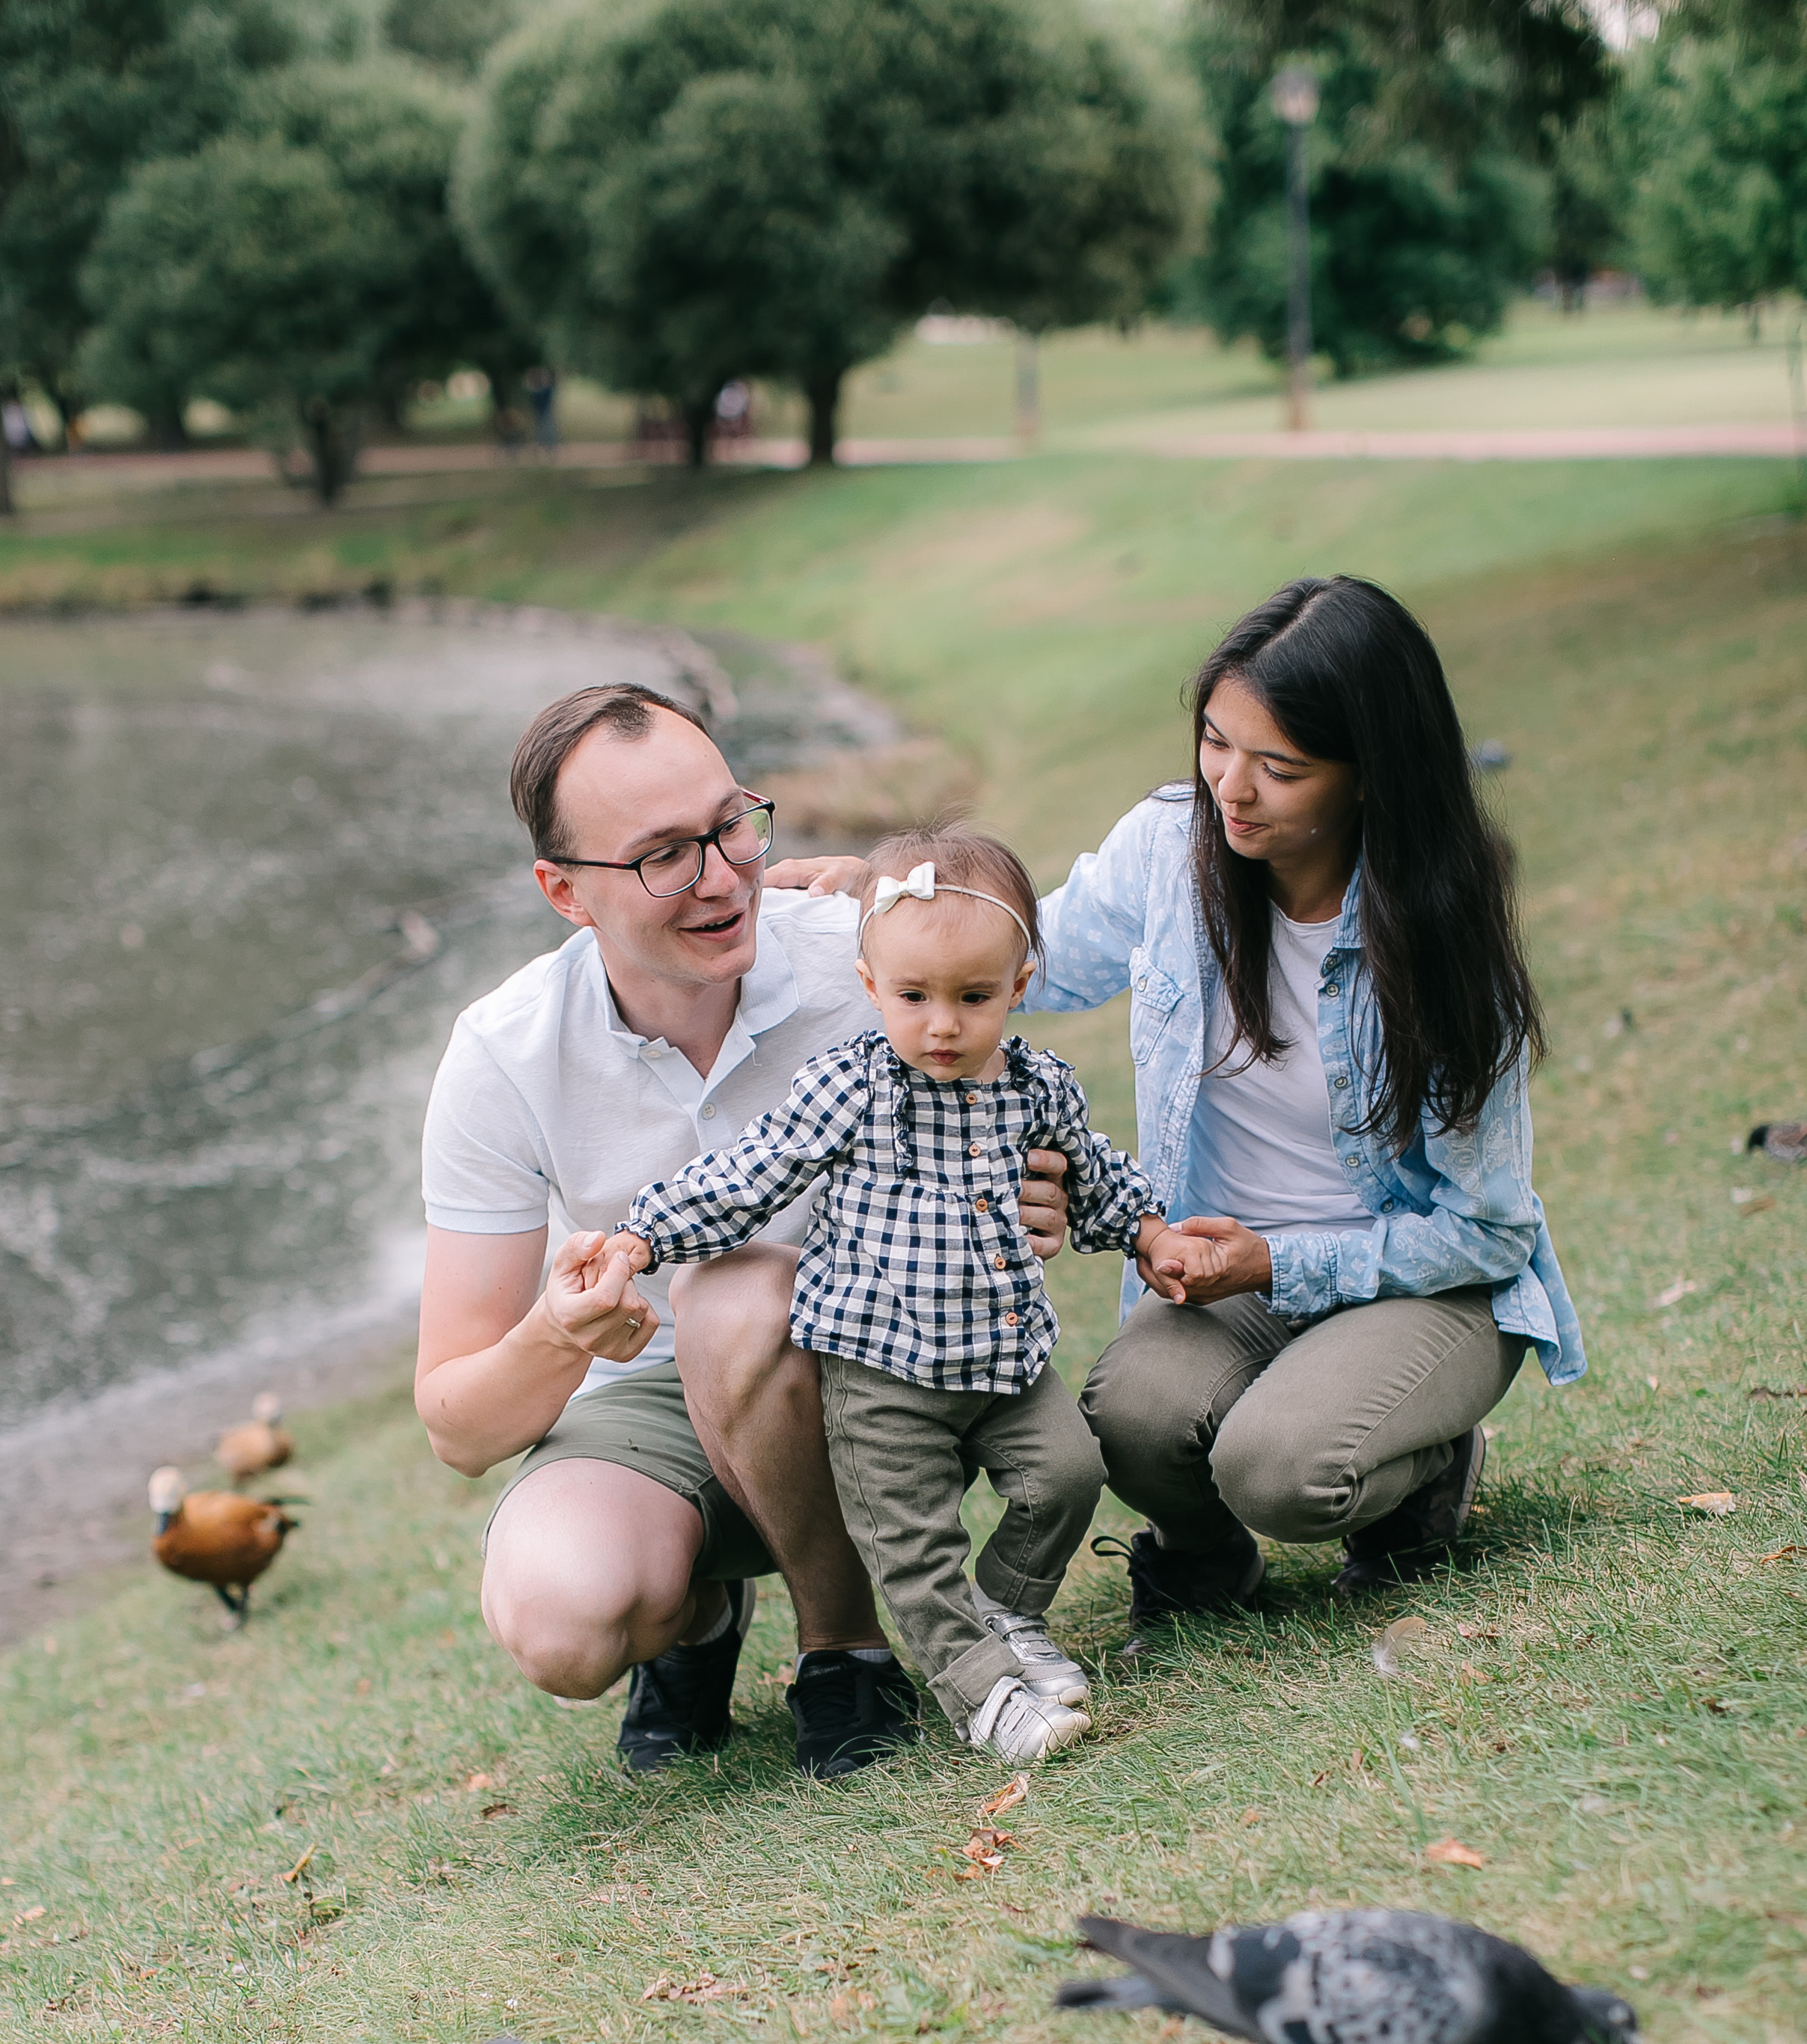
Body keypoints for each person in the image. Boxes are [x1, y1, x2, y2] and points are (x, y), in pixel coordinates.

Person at [774, 576, 1583, 1629]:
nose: (1230, 788)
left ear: (1370, 774)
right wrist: (888, 898)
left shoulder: (1440, 941)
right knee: (1123, 1420)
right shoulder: (1172, 849)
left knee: (1281, 1469)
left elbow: (1488, 1230)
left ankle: (1421, 1469)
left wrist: (1280, 1262)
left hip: (1420, 1284)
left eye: (1279, 767)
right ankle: (1204, 1560)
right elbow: (1023, 959)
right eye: (1215, 741)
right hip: (1223, 1278)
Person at [413, 682, 1068, 1778]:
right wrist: (565, 1331)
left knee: (735, 1289)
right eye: (664, 855)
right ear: (564, 892)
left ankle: (846, 1648)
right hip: (662, 1396)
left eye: (729, 825)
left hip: (893, 1369)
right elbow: (458, 1426)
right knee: (562, 1620)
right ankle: (698, 1617)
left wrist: (1030, 1192)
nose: (723, 877)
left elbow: (1025, 1126)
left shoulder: (871, 965)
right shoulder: (502, 1056)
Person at [605, 836, 1188, 1763]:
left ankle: (1005, 1613)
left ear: (1018, 983)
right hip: (882, 1373)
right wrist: (645, 1232)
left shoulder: (1040, 1088)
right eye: (914, 998)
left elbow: (1094, 1174)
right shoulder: (853, 1086)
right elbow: (754, 1172)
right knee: (914, 1550)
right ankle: (985, 1697)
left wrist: (1150, 1233)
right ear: (872, 987)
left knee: (1067, 1474)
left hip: (1007, 1361)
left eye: (973, 997)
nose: (943, 1026)